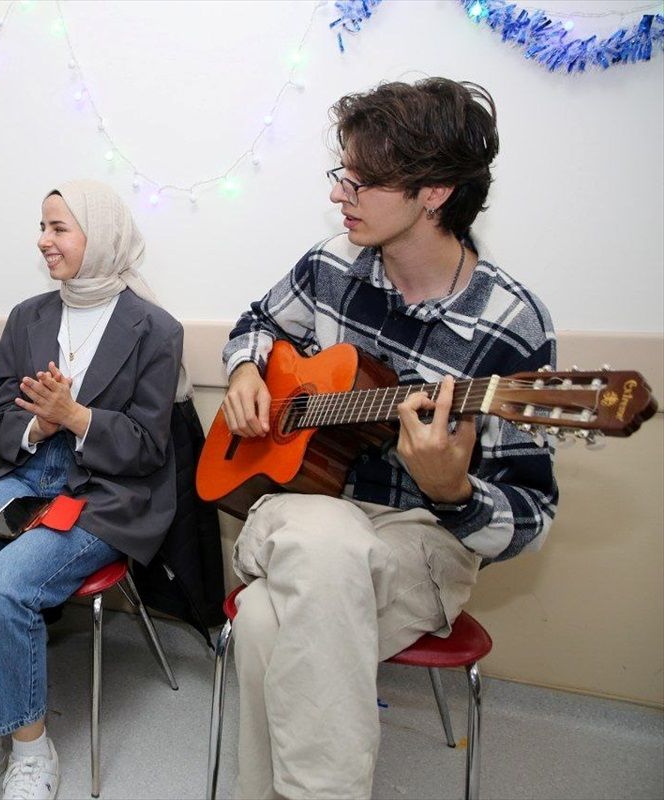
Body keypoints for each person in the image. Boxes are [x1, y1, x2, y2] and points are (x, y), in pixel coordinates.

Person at [220, 78, 558, 799]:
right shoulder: (329, 266)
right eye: (340, 173)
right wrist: (247, 366)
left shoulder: (512, 323)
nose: (341, 193)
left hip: (425, 541)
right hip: (302, 508)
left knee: (260, 620)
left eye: (362, 180)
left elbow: (533, 514)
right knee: (326, 537)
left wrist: (457, 492)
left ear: (433, 193)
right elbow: (257, 322)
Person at [0, 180, 189, 800]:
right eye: (42, 227)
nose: (44, 241)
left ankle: (32, 753)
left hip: (105, 492)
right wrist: (41, 423)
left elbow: (148, 448)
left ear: (101, 236)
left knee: (3, 587)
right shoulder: (27, 318)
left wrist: (77, 417)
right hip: (25, 473)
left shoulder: (156, 329)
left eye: (59, 228)